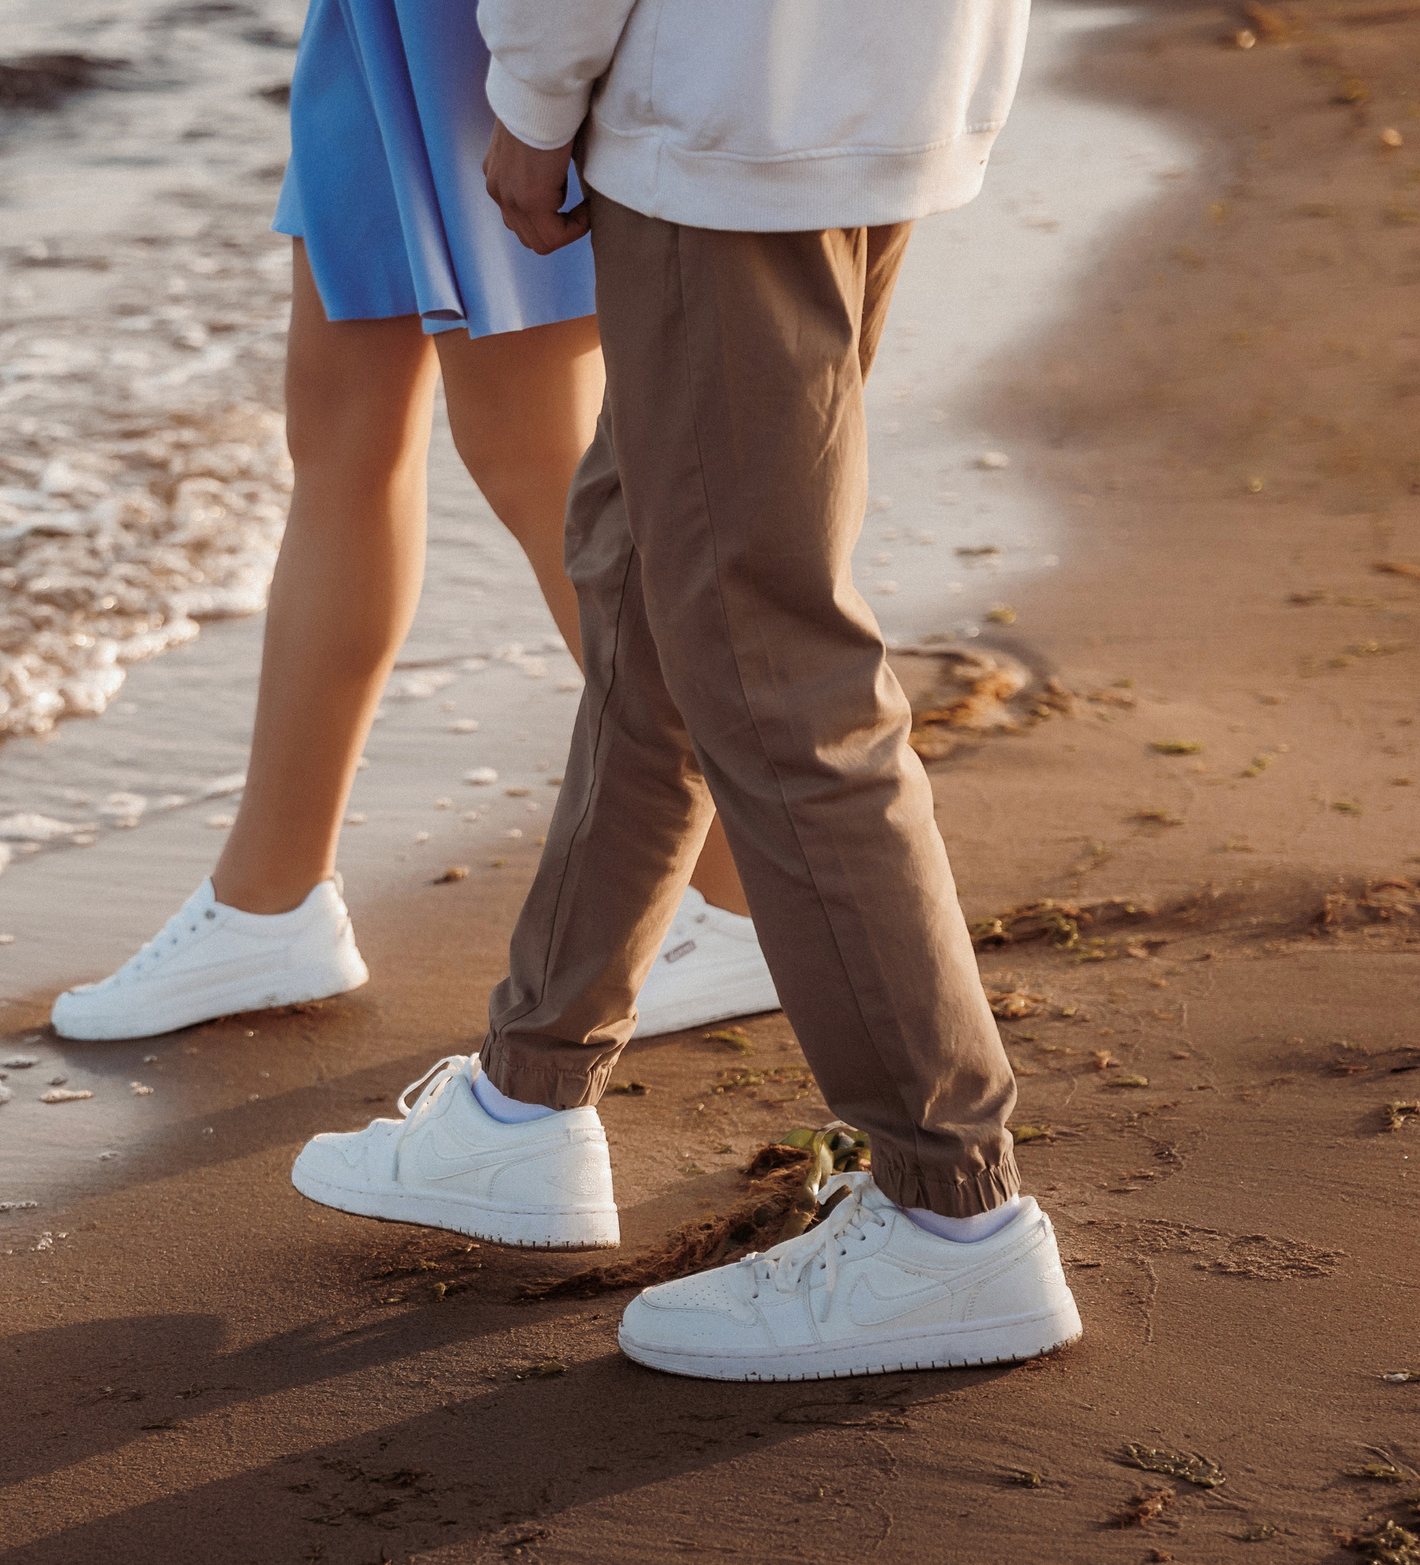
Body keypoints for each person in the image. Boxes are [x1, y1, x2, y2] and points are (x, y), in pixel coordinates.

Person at [289, 0, 1085, 1381]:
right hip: (870, 88)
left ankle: (951, 1213)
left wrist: (535, 101)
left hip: (730, 110)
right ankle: (528, 1095)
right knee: (654, 578)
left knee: (766, 650)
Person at [46, 0, 780, 1046]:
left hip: (468, 26)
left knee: (538, 451)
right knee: (341, 431)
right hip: (364, 25)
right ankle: (270, 900)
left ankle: (752, 889)